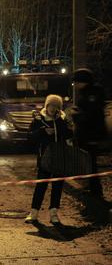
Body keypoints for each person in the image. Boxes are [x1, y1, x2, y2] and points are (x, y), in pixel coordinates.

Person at [25, 95, 73, 224]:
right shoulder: (38, 120)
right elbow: (29, 137)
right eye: (51, 105)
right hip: (45, 157)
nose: (53, 108)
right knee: (41, 185)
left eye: (56, 106)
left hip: (59, 157)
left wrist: (64, 125)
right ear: (46, 106)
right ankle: (34, 212)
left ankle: (53, 213)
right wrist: (43, 132)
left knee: (57, 186)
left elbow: (70, 134)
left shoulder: (62, 120)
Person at [71, 68, 107, 198]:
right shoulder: (87, 93)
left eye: (77, 82)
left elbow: (93, 115)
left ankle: (96, 191)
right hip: (87, 134)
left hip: (91, 134)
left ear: (83, 81)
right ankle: (92, 188)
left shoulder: (92, 94)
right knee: (88, 162)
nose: (75, 85)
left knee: (90, 162)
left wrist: (77, 115)